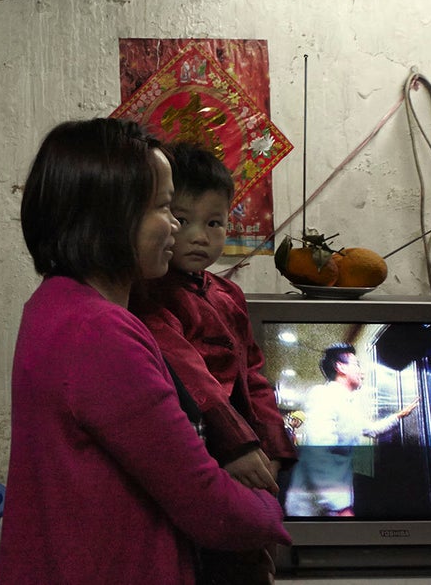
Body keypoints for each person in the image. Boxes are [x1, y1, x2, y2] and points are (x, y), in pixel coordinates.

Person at [0, 118, 290, 585]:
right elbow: (203, 498)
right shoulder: (99, 331)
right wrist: (273, 510)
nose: (176, 225)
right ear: (112, 217)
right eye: (163, 207)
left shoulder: (56, 302)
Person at [131, 142, 296, 583]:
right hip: (199, 448)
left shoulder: (228, 295)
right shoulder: (150, 293)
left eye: (215, 222)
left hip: (241, 448)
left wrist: (272, 446)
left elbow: (254, 375)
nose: (200, 236)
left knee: (249, 560)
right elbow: (188, 371)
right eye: (182, 220)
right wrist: (236, 444)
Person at [282, 343, 417, 517]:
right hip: (311, 507)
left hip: (333, 501)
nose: (362, 372)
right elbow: (319, 454)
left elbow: (371, 429)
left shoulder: (349, 405)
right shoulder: (323, 395)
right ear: (340, 367)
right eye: (357, 365)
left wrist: (399, 416)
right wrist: (340, 507)